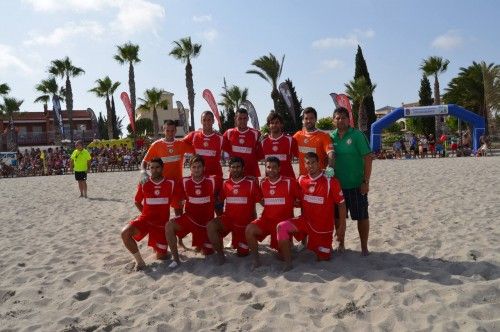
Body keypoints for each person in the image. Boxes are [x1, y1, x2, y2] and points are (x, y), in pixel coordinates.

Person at [275, 152, 346, 271]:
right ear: (304, 165)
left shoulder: (330, 181)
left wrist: (342, 225)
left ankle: (323, 248)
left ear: (319, 163)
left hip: (323, 228)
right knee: (281, 227)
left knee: (323, 259)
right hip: (305, 222)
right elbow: (294, 195)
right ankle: (288, 263)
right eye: (308, 163)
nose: (311, 165)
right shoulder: (302, 179)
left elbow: (341, 204)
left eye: (313, 162)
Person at [121, 158, 178, 270]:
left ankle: (159, 248)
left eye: (157, 167)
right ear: (149, 169)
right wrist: (144, 214)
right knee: (125, 233)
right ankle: (140, 262)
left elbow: (179, 201)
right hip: (145, 220)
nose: (154, 170)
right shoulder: (144, 183)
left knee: (162, 257)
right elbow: (137, 201)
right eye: (152, 167)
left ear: (162, 168)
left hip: (161, 225)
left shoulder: (171, 183)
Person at [245, 157, 301, 270]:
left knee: (281, 257)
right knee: (249, 229)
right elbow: (261, 199)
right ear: (265, 168)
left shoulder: (289, 182)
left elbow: (301, 199)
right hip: (266, 220)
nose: (271, 170)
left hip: (282, 223)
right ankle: (256, 260)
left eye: (274, 167)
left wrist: (292, 204)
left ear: (279, 168)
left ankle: (288, 263)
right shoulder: (263, 182)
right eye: (269, 167)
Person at [331, 107, 373, 256]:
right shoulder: (331, 137)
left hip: (357, 185)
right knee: (337, 218)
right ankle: (341, 245)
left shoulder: (357, 135)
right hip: (337, 187)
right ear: (333, 120)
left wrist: (365, 181)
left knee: (362, 216)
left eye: (343, 117)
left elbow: (368, 158)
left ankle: (364, 247)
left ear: (349, 119)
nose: (340, 120)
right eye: (337, 118)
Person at [165, 155, 220, 267]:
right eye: (194, 167)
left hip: (206, 225)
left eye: (199, 167)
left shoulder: (213, 180)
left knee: (207, 252)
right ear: (190, 168)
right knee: (169, 225)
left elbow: (231, 183)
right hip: (189, 220)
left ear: (204, 168)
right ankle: (176, 260)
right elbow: (178, 201)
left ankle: (207, 244)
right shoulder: (184, 181)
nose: (196, 169)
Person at [206, 157, 262, 265]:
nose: (235, 169)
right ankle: (221, 256)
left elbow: (262, 202)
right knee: (211, 226)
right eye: (233, 167)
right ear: (229, 169)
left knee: (242, 254)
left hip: (243, 225)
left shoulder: (251, 183)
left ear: (243, 168)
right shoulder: (225, 183)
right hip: (229, 220)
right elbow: (218, 200)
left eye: (238, 167)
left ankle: (242, 243)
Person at [183, 111, 224, 215]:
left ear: (213, 121)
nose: (206, 122)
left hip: (216, 178)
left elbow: (233, 151)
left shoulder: (220, 138)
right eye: (204, 120)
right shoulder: (193, 135)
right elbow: (180, 144)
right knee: (202, 210)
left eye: (209, 119)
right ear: (201, 121)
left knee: (218, 209)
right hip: (198, 179)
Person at [293, 107, 334, 176]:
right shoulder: (298, 135)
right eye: (306, 118)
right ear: (303, 120)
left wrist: (330, 168)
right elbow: (285, 143)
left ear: (315, 119)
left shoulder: (324, 136)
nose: (309, 121)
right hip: (303, 179)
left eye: (311, 118)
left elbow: (331, 153)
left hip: (319, 178)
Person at [223, 108, 264, 177]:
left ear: (248, 119)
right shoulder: (228, 133)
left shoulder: (256, 134)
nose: (242, 121)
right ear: (235, 118)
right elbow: (223, 151)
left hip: (251, 173)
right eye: (240, 118)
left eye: (244, 118)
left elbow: (260, 155)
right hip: (235, 174)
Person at [260, 112, 298, 178]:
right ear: (268, 125)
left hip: (288, 180)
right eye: (272, 123)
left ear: (281, 124)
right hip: (270, 182)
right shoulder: (263, 143)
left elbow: (301, 158)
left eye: (277, 122)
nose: (274, 125)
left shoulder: (291, 140)